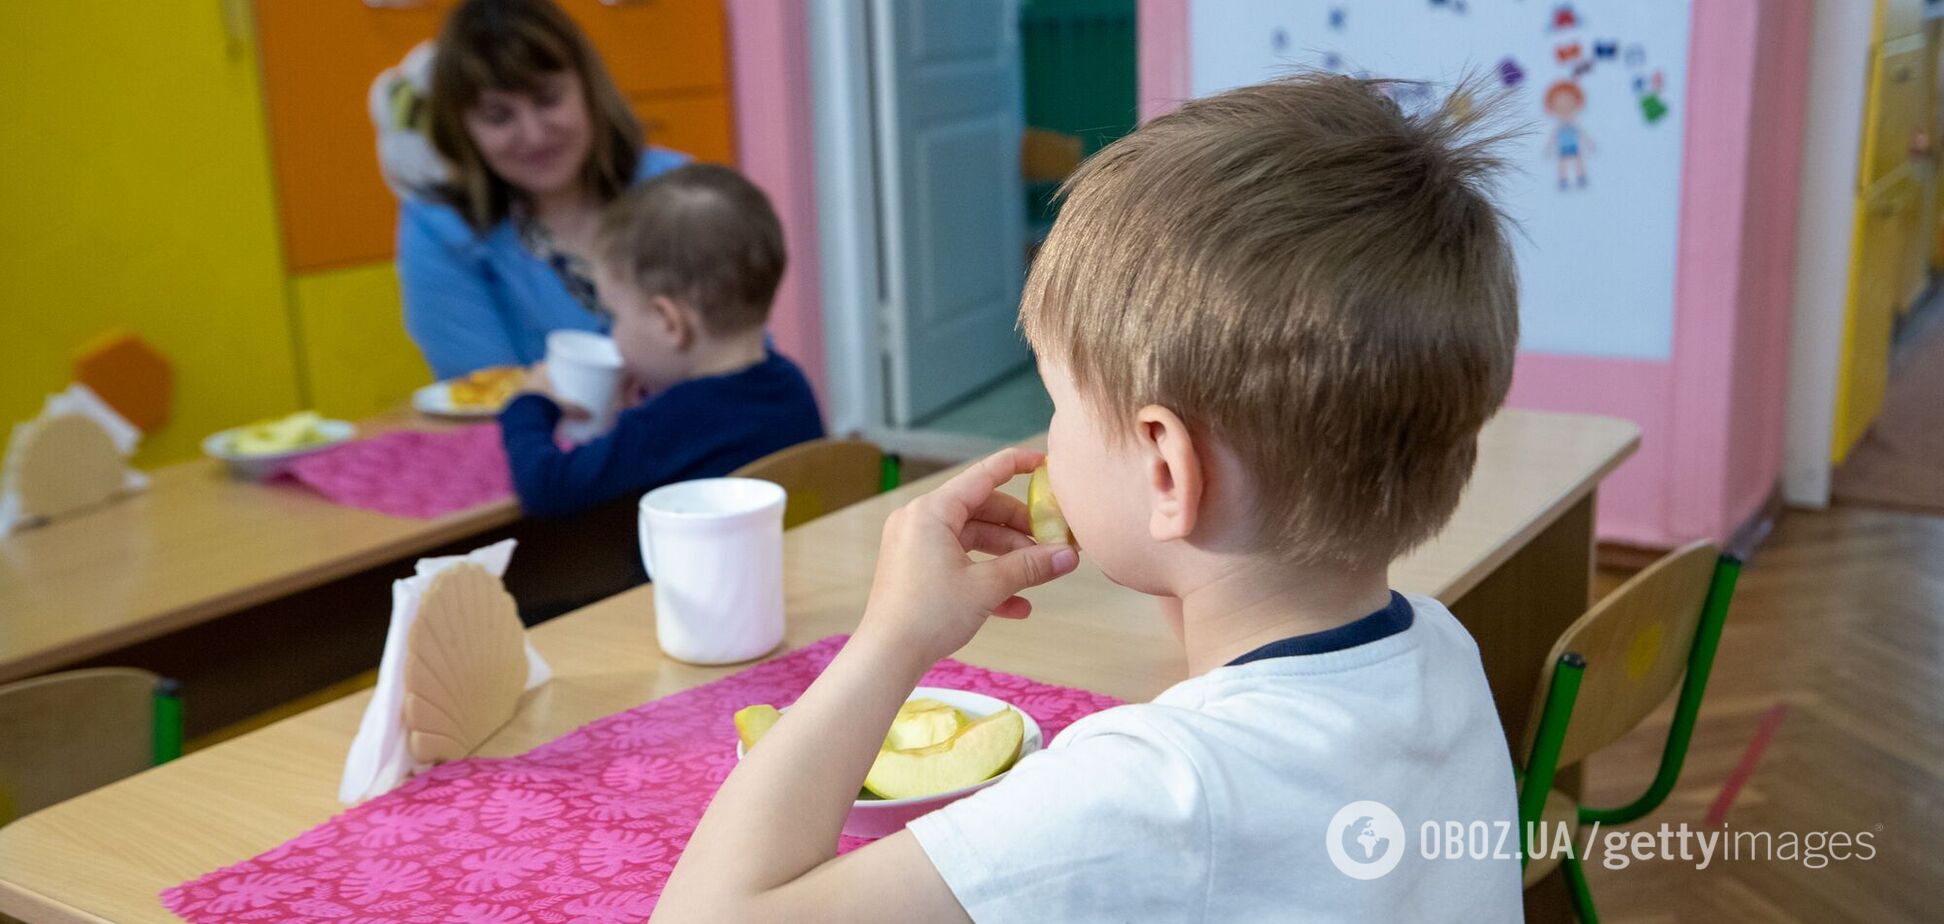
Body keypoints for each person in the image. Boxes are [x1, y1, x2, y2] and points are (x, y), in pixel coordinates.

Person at [652, 73, 1524, 922]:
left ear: (1167, 471)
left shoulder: (1149, 793)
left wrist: (894, 635)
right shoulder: (1443, 649)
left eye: (1058, 402)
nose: (1045, 441)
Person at [501, 164, 823, 519]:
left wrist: (528, 404)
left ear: (670, 322)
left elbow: (547, 487)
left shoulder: (669, 421)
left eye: (615, 316)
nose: (612, 333)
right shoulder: (791, 383)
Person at [401, 0, 688, 380]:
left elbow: (739, 356)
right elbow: (488, 402)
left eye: (548, 99)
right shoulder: (441, 229)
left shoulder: (676, 191)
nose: (534, 135)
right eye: (498, 117)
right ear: (462, 128)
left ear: (589, 88)